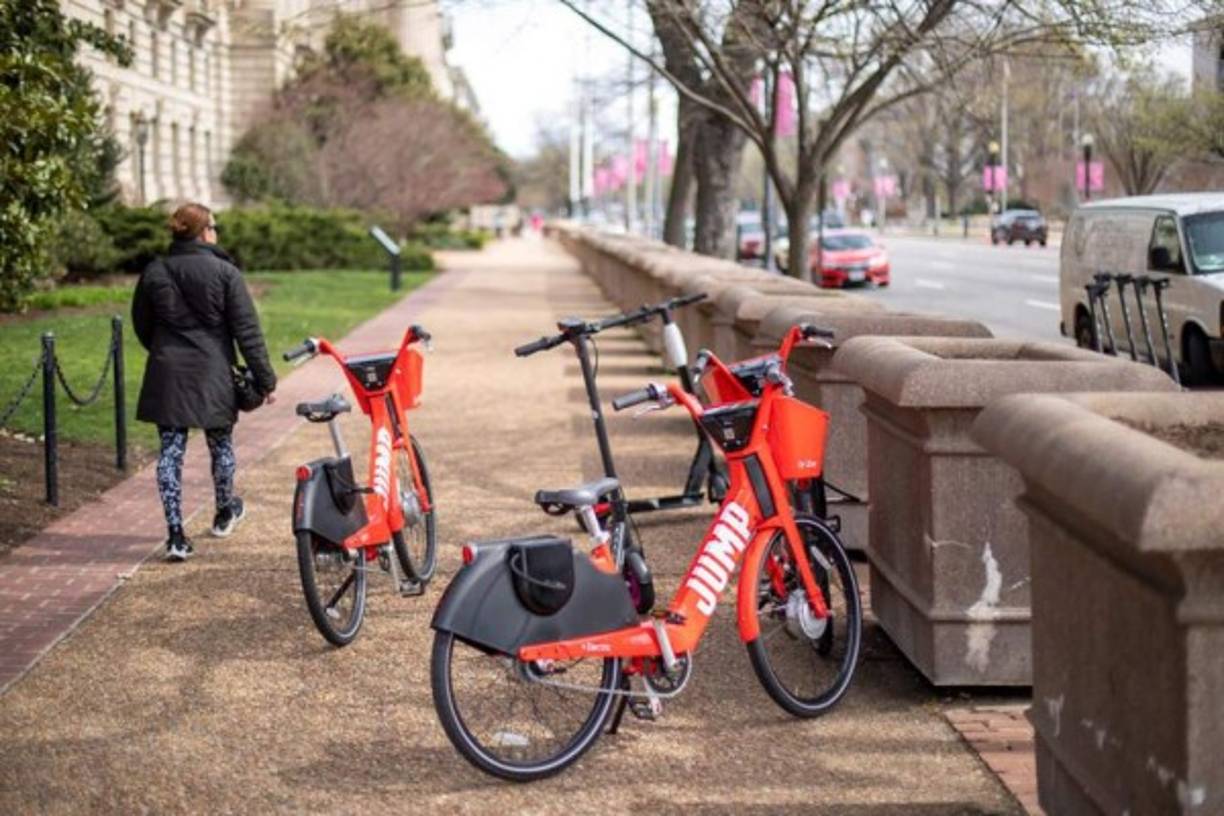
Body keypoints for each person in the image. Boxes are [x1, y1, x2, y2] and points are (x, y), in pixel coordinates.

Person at [132, 203, 277, 562]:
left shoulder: (155, 271)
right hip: (214, 372)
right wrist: (265, 379)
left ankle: (176, 535)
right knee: (221, 445)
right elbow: (248, 331)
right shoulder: (225, 272)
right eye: (214, 226)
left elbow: (142, 324)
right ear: (204, 232)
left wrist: (166, 350)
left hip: (168, 372)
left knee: (170, 451)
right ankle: (225, 512)